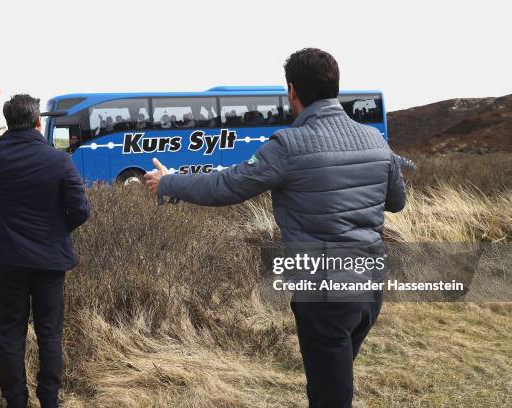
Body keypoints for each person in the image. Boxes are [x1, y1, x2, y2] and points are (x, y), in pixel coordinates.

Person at [145, 48, 406, 407]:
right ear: (335, 86)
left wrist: (169, 183)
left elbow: (227, 185)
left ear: (292, 91)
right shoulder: (375, 140)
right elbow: (396, 201)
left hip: (324, 289)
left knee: (330, 394)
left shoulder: (289, 145)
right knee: (334, 377)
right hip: (370, 286)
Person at [0, 72, 91, 408]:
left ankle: (15, 401)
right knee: (50, 334)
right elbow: (80, 210)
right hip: (50, 262)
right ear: (37, 122)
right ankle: (49, 400)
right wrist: (56, 231)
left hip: (8, 262)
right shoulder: (59, 161)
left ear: (9, 123)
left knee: (10, 335)